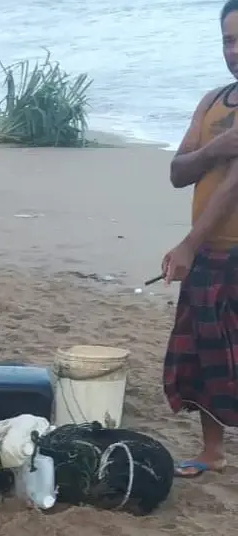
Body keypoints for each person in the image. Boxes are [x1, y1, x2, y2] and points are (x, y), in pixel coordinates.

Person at [162, 0, 238, 478]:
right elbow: (177, 171)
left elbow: (234, 186)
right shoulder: (212, 101)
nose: (235, 50)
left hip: (223, 245)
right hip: (210, 250)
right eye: (229, 40)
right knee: (204, 351)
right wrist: (216, 147)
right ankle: (213, 450)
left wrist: (187, 245)